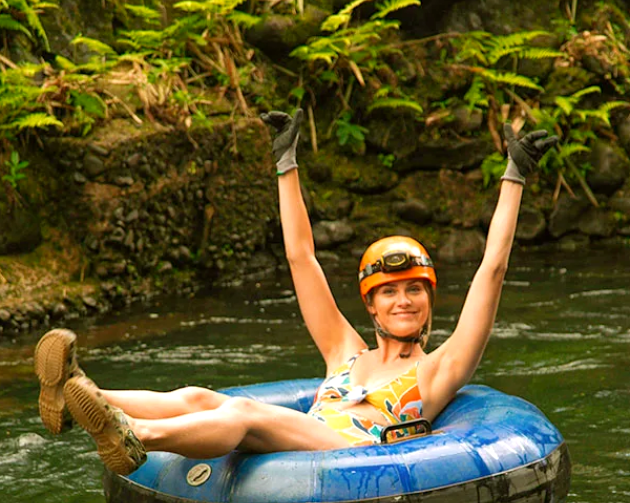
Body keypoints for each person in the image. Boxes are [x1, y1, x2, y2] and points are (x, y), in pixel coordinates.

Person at [33, 110, 558, 475]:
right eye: (389, 291)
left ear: (428, 302)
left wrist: (514, 177)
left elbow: (492, 268)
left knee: (242, 413)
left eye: (415, 290)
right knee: (197, 396)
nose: (404, 300)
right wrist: (286, 163)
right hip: (304, 443)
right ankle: (79, 390)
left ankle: (134, 437)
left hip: (358, 454)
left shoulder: (441, 368)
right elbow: (301, 259)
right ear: (370, 305)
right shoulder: (344, 354)